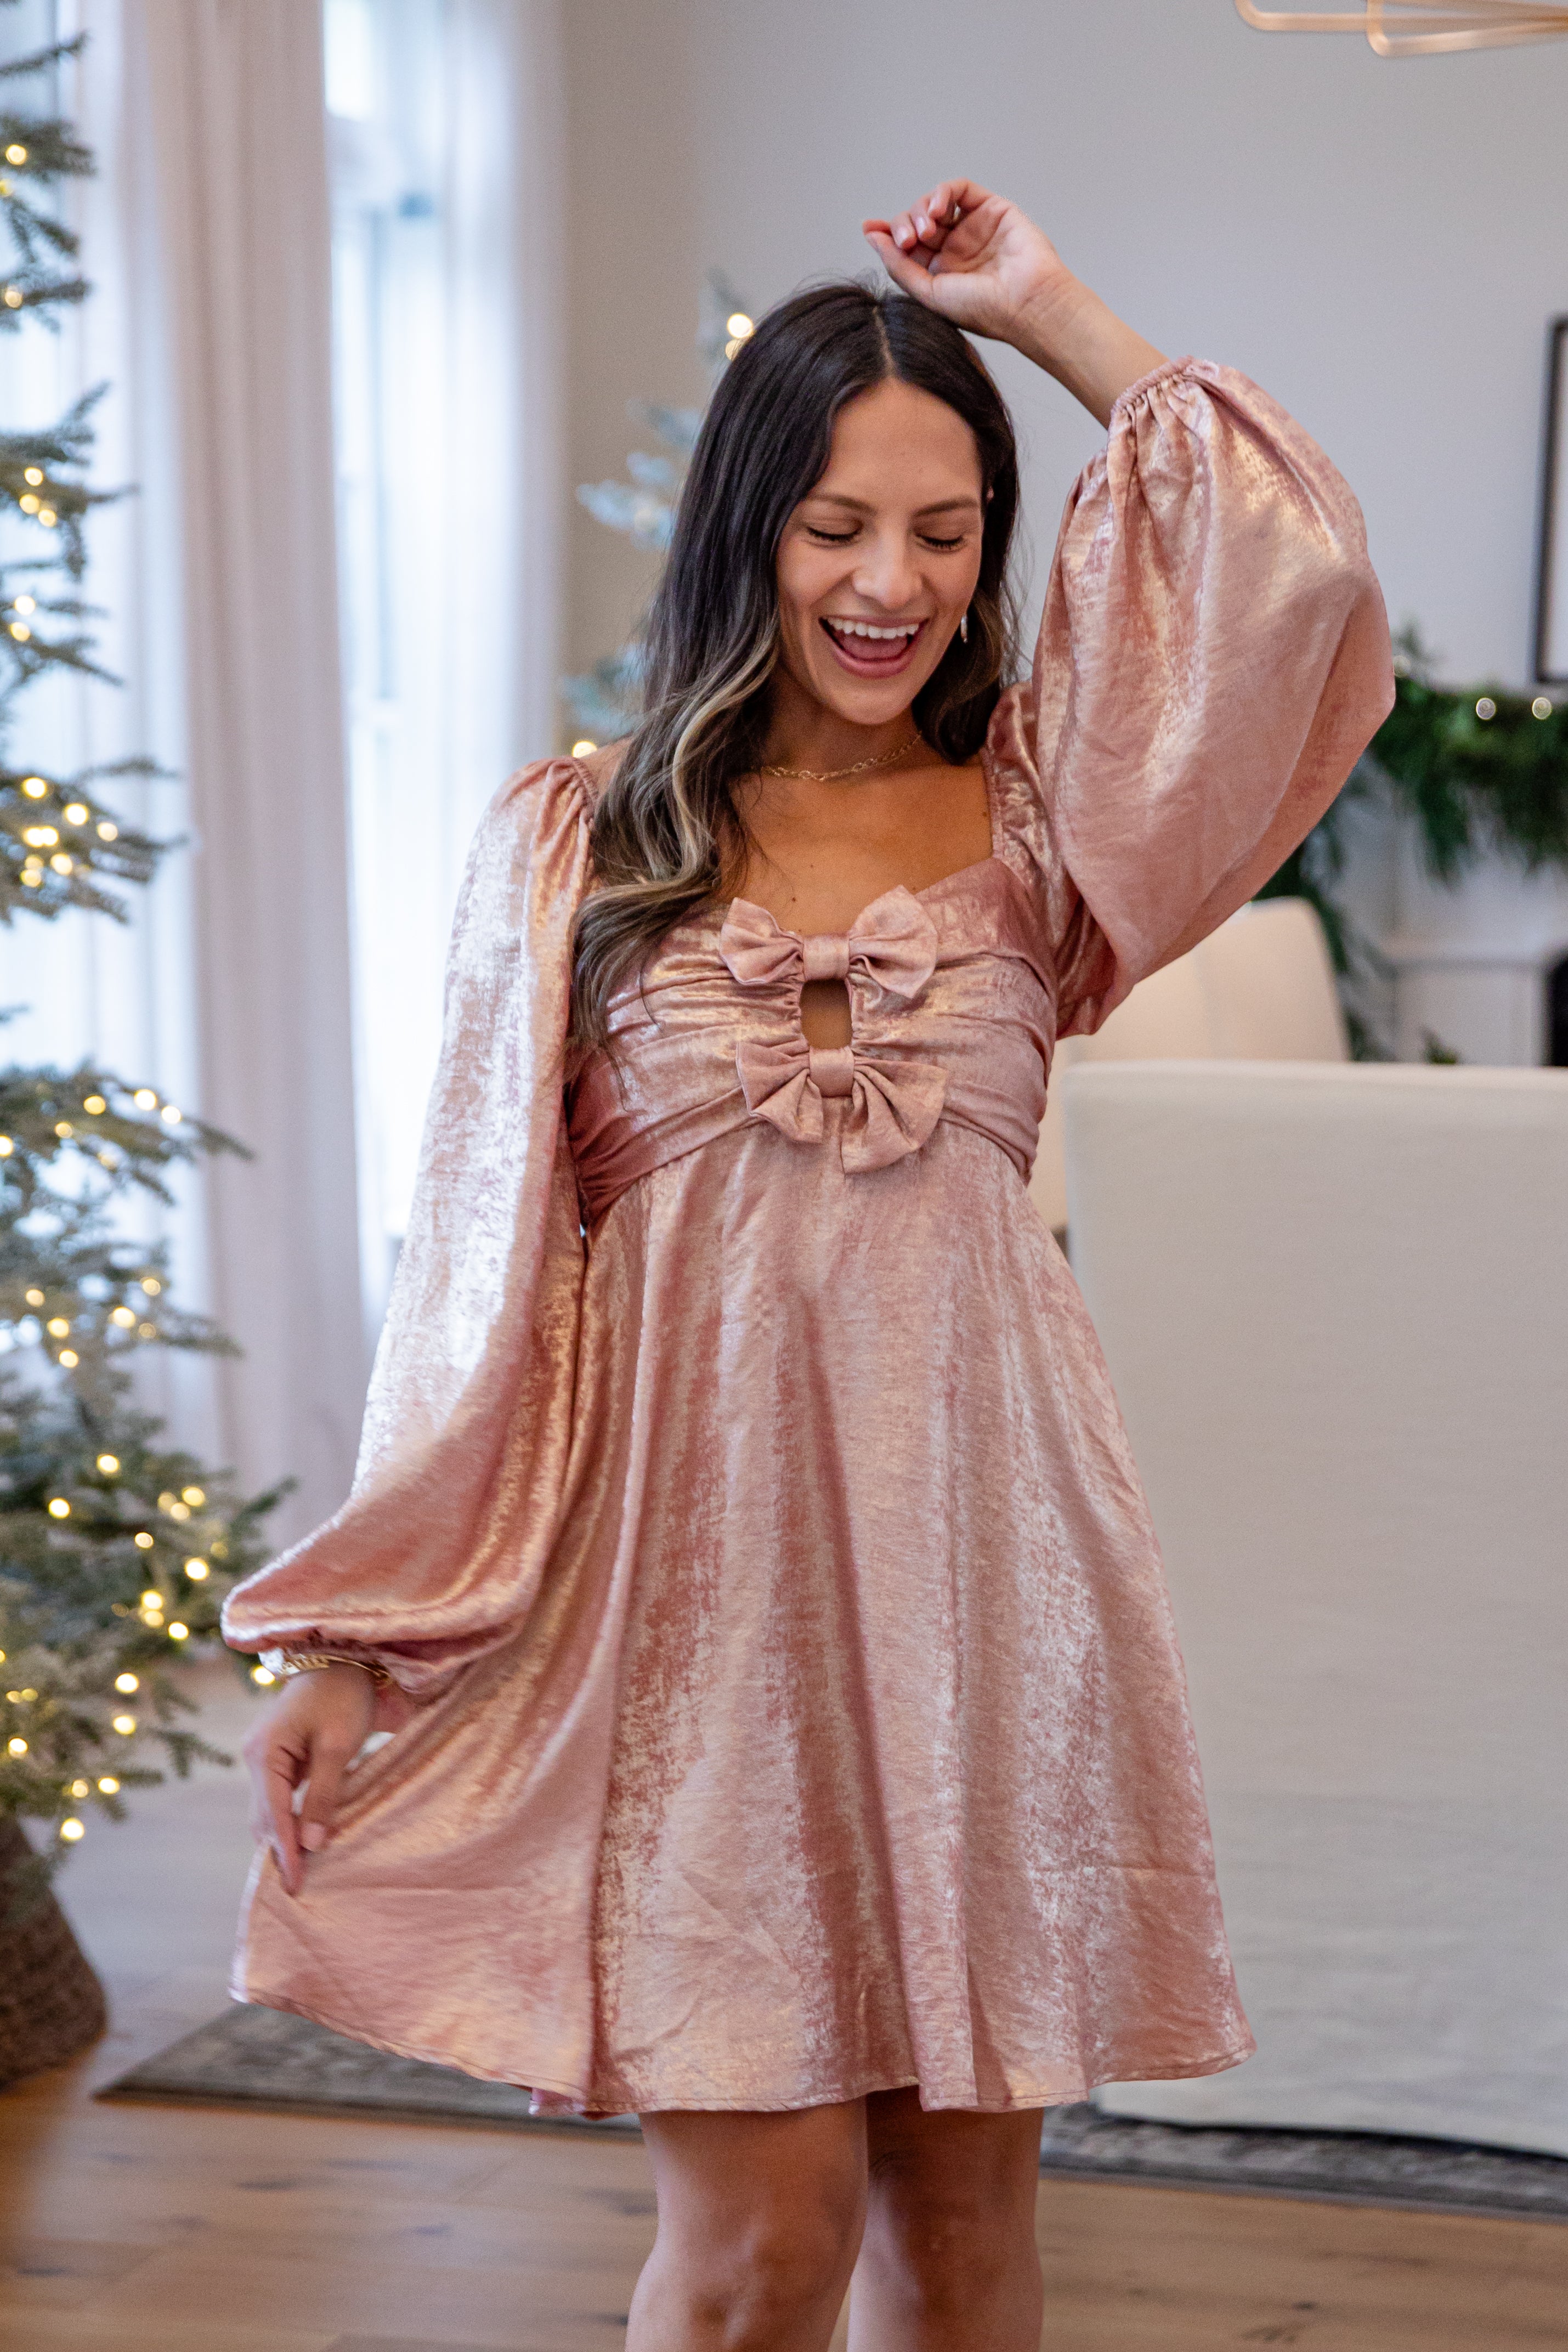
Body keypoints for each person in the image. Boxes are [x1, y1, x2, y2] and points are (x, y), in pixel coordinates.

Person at [227, 178, 1392, 2351]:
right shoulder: (575, 844)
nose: (890, 584)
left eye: (946, 532)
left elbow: (1291, 573)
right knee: (757, 2257)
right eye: (838, 523)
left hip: (991, 1598)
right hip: (699, 1648)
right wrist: (354, 1643)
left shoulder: (1062, 822)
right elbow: (479, 1285)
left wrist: (1046, 308)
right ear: (747, 527)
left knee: (957, 2253)